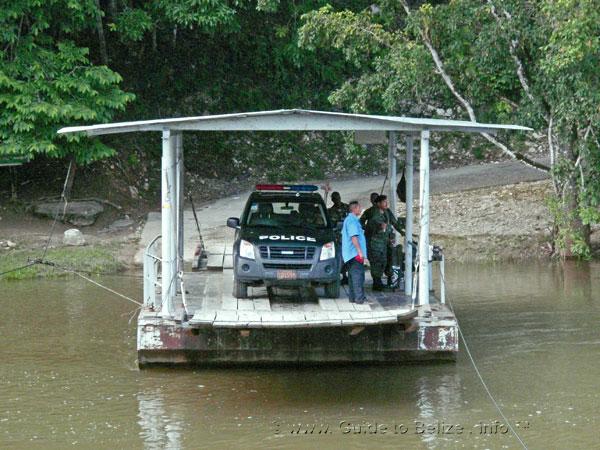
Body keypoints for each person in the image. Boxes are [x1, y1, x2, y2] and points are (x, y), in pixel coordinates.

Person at [366, 194, 404, 290]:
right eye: (384, 202)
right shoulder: (373, 214)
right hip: (376, 243)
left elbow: (394, 222)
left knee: (388, 260)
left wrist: (401, 231)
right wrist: (374, 230)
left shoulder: (387, 212)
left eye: (386, 202)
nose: (386, 204)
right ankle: (377, 283)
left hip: (386, 241)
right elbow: (368, 226)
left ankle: (390, 279)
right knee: (377, 262)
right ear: (377, 203)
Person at [342, 201, 368, 304]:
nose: (361, 209)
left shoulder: (350, 219)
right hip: (354, 253)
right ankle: (359, 298)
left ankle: (353, 298)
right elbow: (354, 237)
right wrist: (360, 252)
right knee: (358, 276)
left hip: (350, 254)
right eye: (359, 207)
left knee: (352, 276)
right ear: (354, 208)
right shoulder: (352, 221)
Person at [328, 192, 349, 285]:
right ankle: (342, 275)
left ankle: (347, 276)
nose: (337, 200)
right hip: (338, 237)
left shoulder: (347, 208)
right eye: (335, 198)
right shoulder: (330, 211)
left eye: (338, 197)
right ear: (332, 200)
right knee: (340, 257)